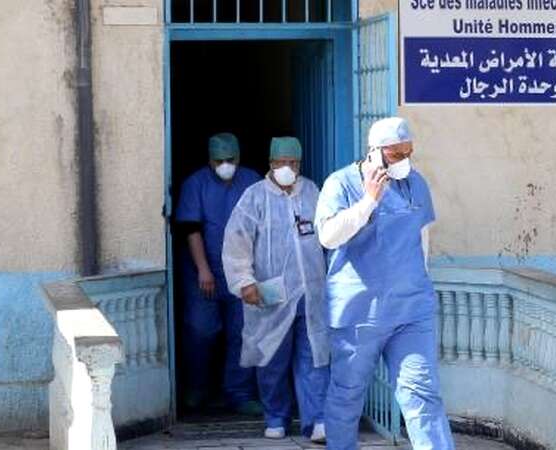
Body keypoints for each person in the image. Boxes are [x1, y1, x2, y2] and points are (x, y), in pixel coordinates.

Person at [315, 118, 455, 450]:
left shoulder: (416, 183)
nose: (404, 161)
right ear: (374, 152)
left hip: (410, 309)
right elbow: (328, 237)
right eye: (395, 155)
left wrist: (419, 283)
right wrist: (368, 201)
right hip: (358, 312)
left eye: (408, 153)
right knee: (347, 395)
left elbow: (422, 240)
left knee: (422, 393)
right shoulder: (340, 183)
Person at [222, 137, 330, 442]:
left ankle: (317, 420)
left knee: (315, 355)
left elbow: (328, 234)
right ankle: (275, 416)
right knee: (272, 357)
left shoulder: (311, 192)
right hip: (270, 294)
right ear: (270, 163)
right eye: (281, 162)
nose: (287, 168)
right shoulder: (254, 197)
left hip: (311, 293)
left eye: (293, 163)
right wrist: (244, 281)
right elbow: (236, 240)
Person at [175, 132, 262, 415]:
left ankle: (240, 393)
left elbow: (264, 226)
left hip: (242, 271)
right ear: (209, 160)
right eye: (219, 160)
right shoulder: (196, 184)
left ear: (239, 157)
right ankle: (197, 388)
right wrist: (203, 269)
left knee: (243, 332)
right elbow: (191, 228)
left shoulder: (252, 181)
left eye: (231, 159)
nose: (225, 165)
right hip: (204, 270)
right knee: (201, 330)